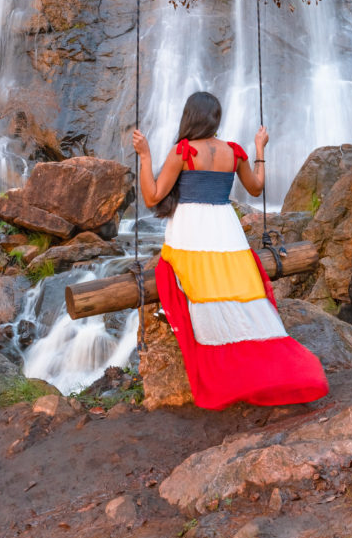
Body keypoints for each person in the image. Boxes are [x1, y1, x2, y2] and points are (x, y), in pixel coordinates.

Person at [132, 90, 329, 410]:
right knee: (239, 293)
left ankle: (228, 370)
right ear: (216, 120)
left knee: (206, 296)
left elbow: (153, 197)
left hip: (190, 231)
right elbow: (256, 188)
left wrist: (144, 156)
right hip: (226, 230)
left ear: (189, 118)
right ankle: (276, 365)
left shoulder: (183, 152)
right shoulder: (235, 152)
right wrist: (260, 149)